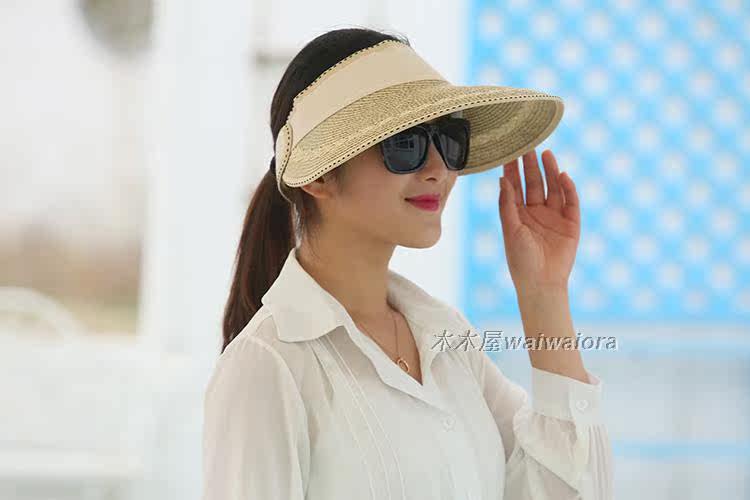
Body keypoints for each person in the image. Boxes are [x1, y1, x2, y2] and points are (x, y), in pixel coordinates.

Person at [201, 27, 613, 500]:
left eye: (450, 140)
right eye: (405, 144)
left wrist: (545, 293)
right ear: (318, 176)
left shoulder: (448, 340)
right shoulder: (267, 366)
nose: (438, 169)